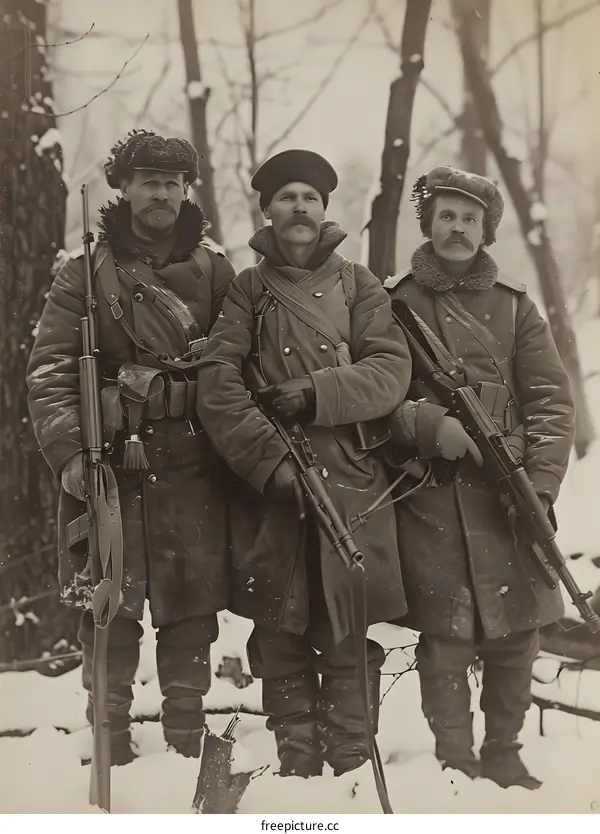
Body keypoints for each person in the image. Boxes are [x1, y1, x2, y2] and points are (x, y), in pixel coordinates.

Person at [196, 149, 412, 779]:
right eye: (286, 197)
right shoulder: (248, 289)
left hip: (352, 482)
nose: (299, 208)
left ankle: (350, 760)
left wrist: (316, 394)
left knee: (348, 624)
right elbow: (218, 383)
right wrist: (269, 461)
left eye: (310, 198)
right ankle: (296, 762)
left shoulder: (358, 284)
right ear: (267, 210)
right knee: (280, 630)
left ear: (324, 211)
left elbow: (390, 369)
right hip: (275, 487)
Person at [26, 129, 235, 764]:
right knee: (109, 603)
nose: (162, 194)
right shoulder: (83, 273)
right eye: (149, 181)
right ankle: (109, 733)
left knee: (192, 609)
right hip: (109, 464)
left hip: (195, 463)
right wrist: (67, 455)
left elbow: (239, 365)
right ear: (122, 187)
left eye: (173, 183)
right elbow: (50, 371)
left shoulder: (215, 269)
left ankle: (185, 733)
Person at [383, 166, 575, 789]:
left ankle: (504, 751)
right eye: (446, 215)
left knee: (517, 634)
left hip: (509, 491)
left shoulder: (516, 305)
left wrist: (538, 486)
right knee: (445, 639)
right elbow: (378, 394)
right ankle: (455, 760)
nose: (457, 227)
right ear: (428, 223)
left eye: (469, 218)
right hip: (431, 493)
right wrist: (426, 425)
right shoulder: (394, 301)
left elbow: (549, 401)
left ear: (486, 229)